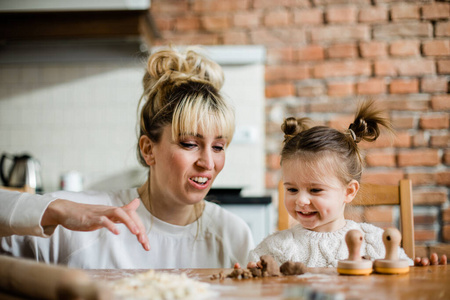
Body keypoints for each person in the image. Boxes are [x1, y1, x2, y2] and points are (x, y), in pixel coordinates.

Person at [0, 47, 254, 269]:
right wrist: (54, 209)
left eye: (219, 147)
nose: (208, 163)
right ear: (148, 149)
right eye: (189, 144)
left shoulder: (233, 234)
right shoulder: (77, 223)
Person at [247, 100, 446, 268]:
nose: (300, 200)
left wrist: (424, 274)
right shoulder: (275, 249)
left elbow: (404, 285)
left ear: (349, 191)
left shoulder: (376, 242)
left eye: (315, 189)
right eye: (292, 189)